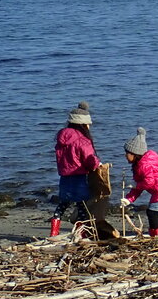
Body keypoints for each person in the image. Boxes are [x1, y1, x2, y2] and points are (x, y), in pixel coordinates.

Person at [50, 101, 102, 237]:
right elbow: (89, 159)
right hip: (78, 176)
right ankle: (81, 233)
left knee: (63, 204)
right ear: (84, 124)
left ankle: (54, 233)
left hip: (65, 176)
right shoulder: (82, 140)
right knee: (82, 206)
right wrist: (98, 164)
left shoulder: (61, 137)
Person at [120, 127, 158, 237]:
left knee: (151, 213)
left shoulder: (144, 165)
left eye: (127, 153)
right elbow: (139, 188)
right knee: (152, 212)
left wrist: (136, 185)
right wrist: (129, 199)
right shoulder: (139, 166)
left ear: (134, 153)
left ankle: (157, 234)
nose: (125, 156)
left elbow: (149, 182)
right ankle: (157, 232)